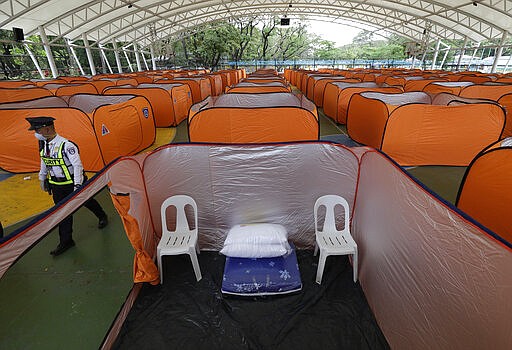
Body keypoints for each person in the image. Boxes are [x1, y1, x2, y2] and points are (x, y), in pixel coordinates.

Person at [26, 116, 108, 256]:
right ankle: (66, 241)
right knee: (62, 213)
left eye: (37, 130)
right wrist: (42, 178)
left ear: (47, 128)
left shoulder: (67, 145)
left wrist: (77, 186)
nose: (36, 133)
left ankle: (102, 216)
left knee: (87, 201)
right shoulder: (43, 145)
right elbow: (44, 161)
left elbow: (77, 166)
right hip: (57, 185)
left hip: (72, 183)